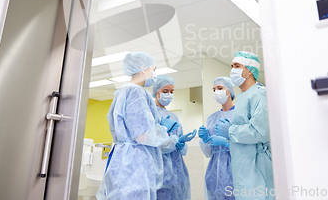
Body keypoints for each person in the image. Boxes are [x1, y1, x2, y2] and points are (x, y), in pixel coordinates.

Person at [96, 52, 180, 200]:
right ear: (143, 68)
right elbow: (142, 135)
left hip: (124, 157)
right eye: (153, 69)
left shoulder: (123, 91)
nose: (153, 74)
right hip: (135, 160)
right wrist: (163, 131)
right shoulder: (136, 92)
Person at [212, 51, 274, 200]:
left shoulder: (259, 94)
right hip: (245, 167)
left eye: (237, 66)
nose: (233, 69)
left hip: (258, 167)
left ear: (249, 70)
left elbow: (261, 131)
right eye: (232, 66)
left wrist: (230, 131)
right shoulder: (243, 96)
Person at [152, 75, 196, 200]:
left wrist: (182, 144)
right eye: (165, 91)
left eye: (171, 92)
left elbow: (180, 145)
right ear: (156, 92)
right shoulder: (150, 114)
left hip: (177, 168)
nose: (169, 94)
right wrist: (174, 141)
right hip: (159, 167)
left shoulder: (174, 117)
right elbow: (155, 144)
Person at [198, 77, 236, 200]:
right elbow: (208, 153)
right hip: (214, 169)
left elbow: (247, 145)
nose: (216, 92)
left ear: (229, 90)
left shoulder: (239, 114)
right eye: (214, 89)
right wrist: (205, 140)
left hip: (236, 166)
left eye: (220, 88)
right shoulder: (212, 118)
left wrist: (227, 143)